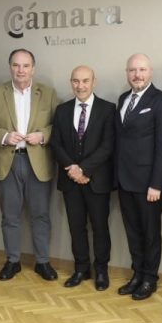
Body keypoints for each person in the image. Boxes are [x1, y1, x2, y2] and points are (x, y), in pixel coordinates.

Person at [0, 49, 60, 281]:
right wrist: (4, 136)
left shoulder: (48, 93)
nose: (20, 70)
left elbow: (59, 125)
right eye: (16, 65)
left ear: (33, 68)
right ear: (10, 67)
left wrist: (42, 135)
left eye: (25, 65)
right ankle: (12, 261)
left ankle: (42, 262)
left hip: (38, 163)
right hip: (7, 161)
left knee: (40, 215)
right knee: (10, 216)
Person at [115, 53, 162, 300]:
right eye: (132, 70)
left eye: (141, 70)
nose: (137, 75)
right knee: (132, 231)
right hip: (124, 179)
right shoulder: (123, 99)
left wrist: (156, 184)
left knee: (150, 233)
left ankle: (150, 278)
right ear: (127, 73)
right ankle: (137, 274)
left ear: (150, 72)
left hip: (148, 183)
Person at [51, 66, 115, 290]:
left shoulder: (108, 109)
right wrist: (72, 169)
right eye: (76, 81)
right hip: (70, 180)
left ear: (94, 82)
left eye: (85, 81)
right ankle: (81, 269)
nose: (81, 86)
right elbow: (56, 143)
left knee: (100, 227)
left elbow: (108, 145)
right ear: (71, 83)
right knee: (76, 226)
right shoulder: (62, 110)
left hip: (97, 181)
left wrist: (84, 170)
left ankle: (101, 271)